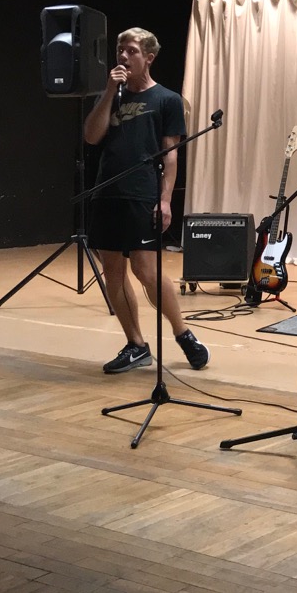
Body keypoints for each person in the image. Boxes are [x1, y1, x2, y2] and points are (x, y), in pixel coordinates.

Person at [83, 27, 210, 373]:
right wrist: (110, 92)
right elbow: (92, 136)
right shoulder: (110, 95)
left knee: (146, 270)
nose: (123, 56)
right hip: (108, 191)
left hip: (143, 193)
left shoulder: (167, 99)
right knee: (113, 271)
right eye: (120, 50)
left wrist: (165, 200)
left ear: (149, 58)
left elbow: (171, 154)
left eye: (132, 51)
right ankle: (136, 345)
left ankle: (183, 333)